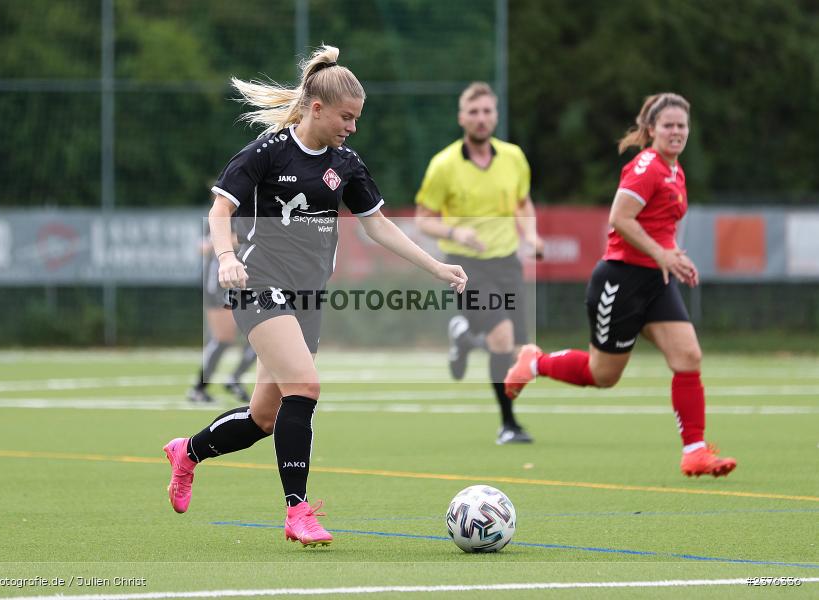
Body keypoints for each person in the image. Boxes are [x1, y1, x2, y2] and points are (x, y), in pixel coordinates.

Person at [163, 45, 468, 547]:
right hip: (258, 285)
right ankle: (297, 511)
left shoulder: (345, 164)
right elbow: (220, 211)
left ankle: (188, 452)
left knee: (264, 417)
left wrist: (436, 266)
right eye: (347, 117)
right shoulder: (267, 151)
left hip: (307, 299)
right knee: (305, 386)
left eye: (357, 118)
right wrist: (226, 257)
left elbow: (379, 226)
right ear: (318, 108)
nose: (353, 127)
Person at [504, 92, 737, 478]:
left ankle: (694, 451)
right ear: (652, 129)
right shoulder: (646, 167)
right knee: (603, 375)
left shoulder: (675, 170)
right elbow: (620, 218)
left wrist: (674, 256)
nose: (676, 132)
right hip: (621, 280)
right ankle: (535, 362)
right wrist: (662, 254)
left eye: (682, 125)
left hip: (656, 281)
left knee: (688, 357)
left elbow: (658, 226)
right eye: (669, 125)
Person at [415, 82, 543, 446]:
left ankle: (466, 336)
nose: (481, 118)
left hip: (507, 263)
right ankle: (508, 424)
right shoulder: (443, 165)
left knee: (517, 349)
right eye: (473, 112)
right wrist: (456, 232)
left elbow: (523, 202)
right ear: (461, 118)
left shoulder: (514, 157)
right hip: (465, 267)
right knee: (501, 334)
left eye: (487, 111)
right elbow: (423, 219)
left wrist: (532, 236)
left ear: (496, 115)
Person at [186, 235, 256, 404]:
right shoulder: (225, 220)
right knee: (224, 338)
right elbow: (203, 246)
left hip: (243, 283)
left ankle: (234, 378)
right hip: (219, 286)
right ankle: (199, 389)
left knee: (259, 337)